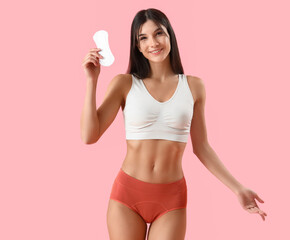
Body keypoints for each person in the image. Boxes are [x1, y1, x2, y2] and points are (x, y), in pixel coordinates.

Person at [81, 8, 267, 240]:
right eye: (143, 37)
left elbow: (202, 148)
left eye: (159, 33)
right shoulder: (124, 83)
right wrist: (92, 80)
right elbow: (90, 136)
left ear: (170, 36)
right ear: (137, 46)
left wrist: (238, 188)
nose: (153, 43)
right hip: (127, 195)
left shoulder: (194, 86)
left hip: (171, 198)